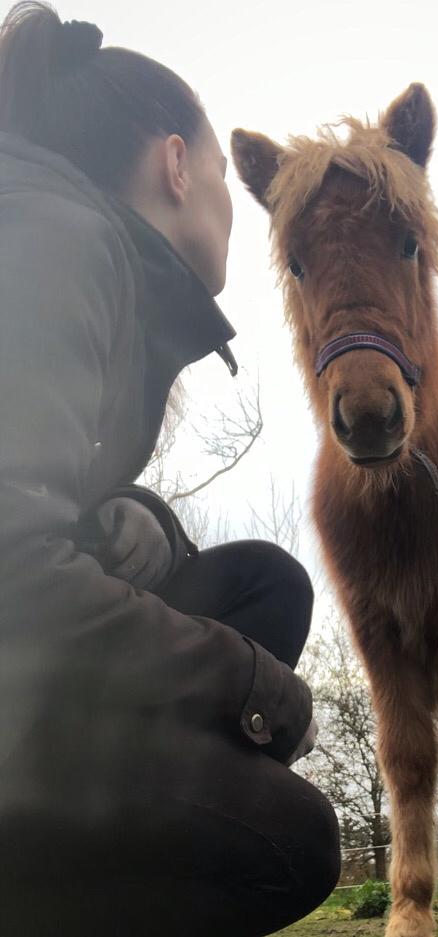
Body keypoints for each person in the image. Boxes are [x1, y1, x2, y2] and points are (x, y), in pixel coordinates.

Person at [0, 3, 340, 934]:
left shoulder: (69, 239)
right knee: (289, 841)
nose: (233, 202)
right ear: (175, 164)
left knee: (260, 586)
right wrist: (255, 691)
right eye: (224, 174)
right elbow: (14, 577)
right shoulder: (55, 240)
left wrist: (133, 517)